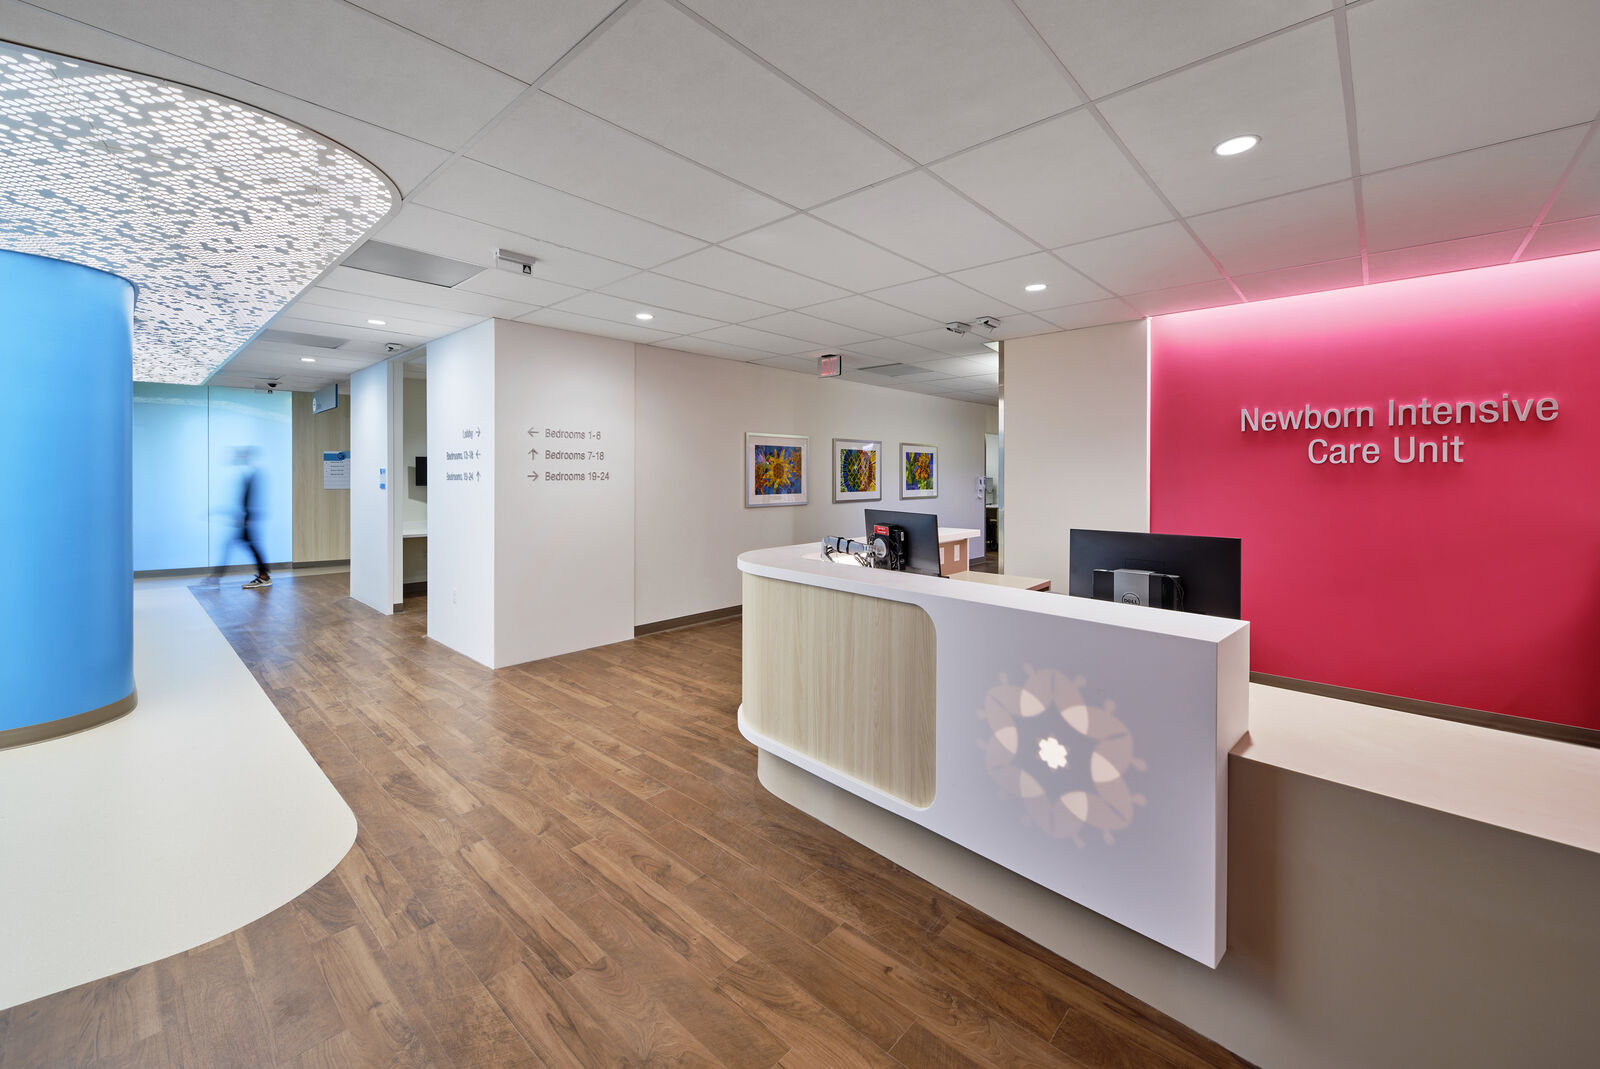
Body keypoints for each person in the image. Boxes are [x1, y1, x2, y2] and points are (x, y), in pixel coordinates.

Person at [229, 447, 271, 589]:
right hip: (246, 516)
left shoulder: (255, 473)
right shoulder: (248, 472)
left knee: (249, 545)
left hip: (249, 517)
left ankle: (264, 576)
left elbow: (252, 497)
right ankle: (264, 575)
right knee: (247, 544)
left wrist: (248, 517)